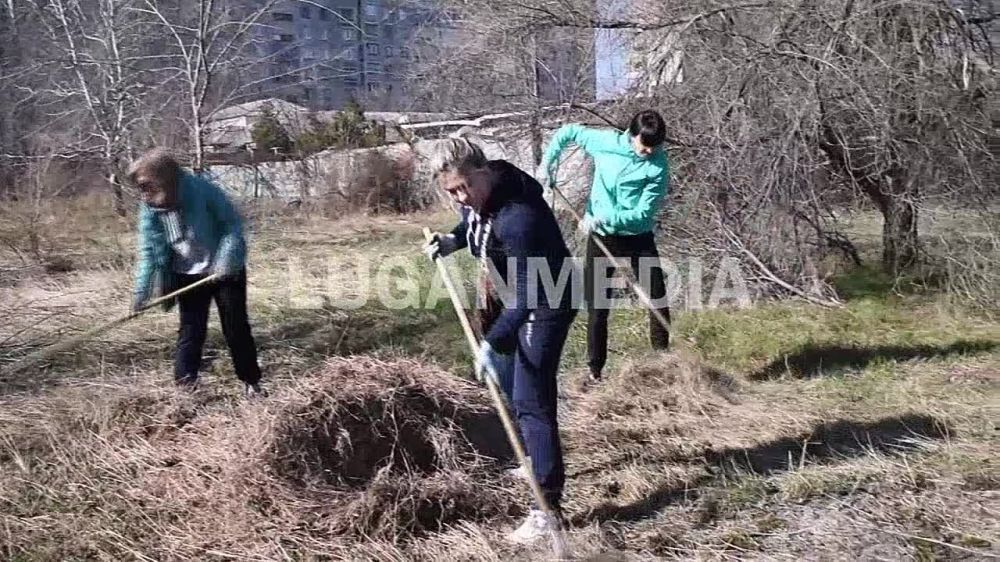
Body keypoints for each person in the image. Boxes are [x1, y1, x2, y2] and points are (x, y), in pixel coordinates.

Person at [425, 138, 576, 544]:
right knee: (512, 383)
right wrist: (452, 240)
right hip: (516, 295)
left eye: (464, 187)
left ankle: (548, 509)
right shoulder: (481, 197)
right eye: (452, 191)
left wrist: (493, 341)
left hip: (549, 298)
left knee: (532, 400)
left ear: (483, 171)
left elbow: (531, 293)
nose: (461, 198)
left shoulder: (520, 217)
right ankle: (534, 457)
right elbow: (474, 224)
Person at [537, 110, 671, 385]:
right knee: (598, 305)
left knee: (656, 297)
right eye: (645, 145)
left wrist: (604, 217)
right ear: (631, 135)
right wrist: (547, 164)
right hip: (602, 237)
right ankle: (595, 370)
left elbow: (643, 214)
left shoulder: (658, 166)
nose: (649, 151)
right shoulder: (605, 142)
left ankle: (664, 363)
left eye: (654, 147)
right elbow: (568, 132)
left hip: (637, 236)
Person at [129, 149, 266, 398]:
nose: (143, 192)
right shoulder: (149, 208)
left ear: (164, 178)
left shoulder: (202, 190)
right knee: (191, 330)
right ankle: (185, 388)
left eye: (147, 185)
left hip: (224, 270)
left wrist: (226, 260)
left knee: (235, 327)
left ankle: (251, 382)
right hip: (186, 273)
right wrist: (141, 294)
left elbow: (232, 226)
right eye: (141, 187)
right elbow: (149, 252)